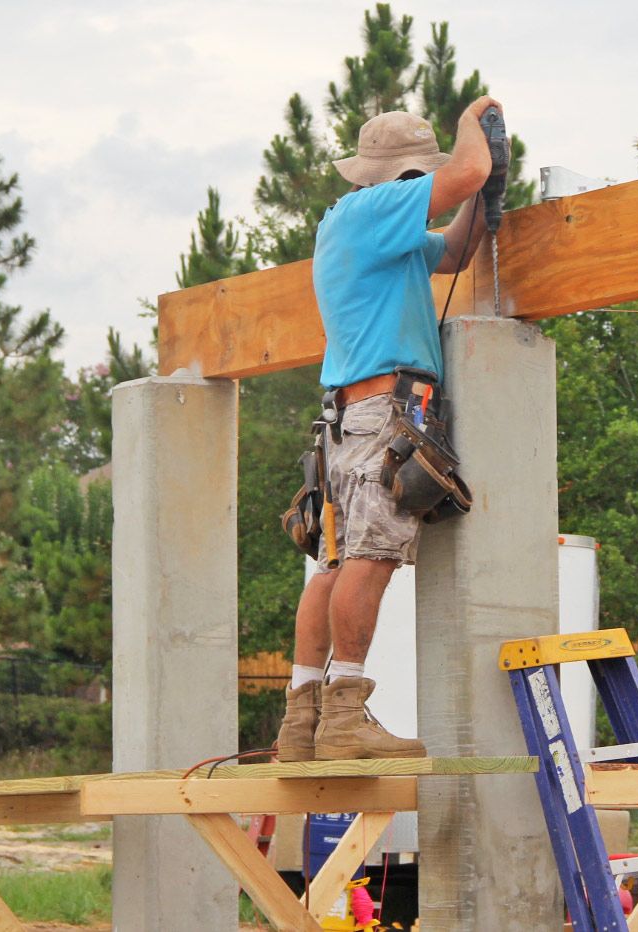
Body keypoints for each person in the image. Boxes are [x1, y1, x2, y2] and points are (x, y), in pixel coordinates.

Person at [276, 97, 504, 762]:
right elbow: (460, 175)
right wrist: (475, 129)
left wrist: (487, 195)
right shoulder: (372, 210)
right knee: (371, 559)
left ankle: (303, 719)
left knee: (336, 564)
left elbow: (458, 244)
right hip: (383, 416)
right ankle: (345, 711)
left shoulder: (370, 230)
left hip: (354, 416)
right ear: (400, 176)